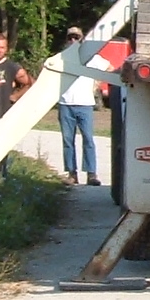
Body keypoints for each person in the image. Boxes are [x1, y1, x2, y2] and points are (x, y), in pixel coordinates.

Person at [57, 27, 102, 186]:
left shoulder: (91, 58)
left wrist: (97, 83)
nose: (73, 41)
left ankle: (92, 174)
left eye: (76, 37)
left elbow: (109, 69)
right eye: (70, 38)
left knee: (88, 139)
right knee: (68, 140)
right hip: (65, 103)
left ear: (82, 39)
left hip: (85, 104)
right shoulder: (61, 57)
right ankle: (72, 174)